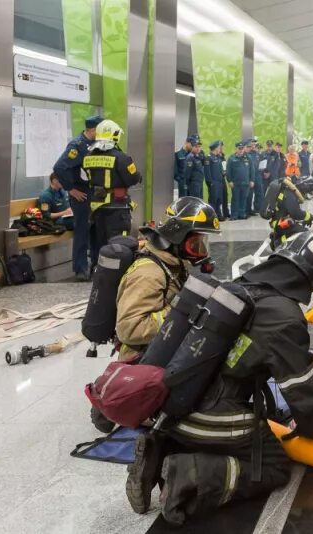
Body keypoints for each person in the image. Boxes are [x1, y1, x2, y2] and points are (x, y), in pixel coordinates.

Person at [127, 231, 313, 525]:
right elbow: (301, 390)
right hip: (211, 416)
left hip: (169, 407)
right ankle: (187, 475)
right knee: (273, 466)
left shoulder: (234, 289)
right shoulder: (284, 317)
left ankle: (159, 451)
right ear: (311, 279)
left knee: (226, 428)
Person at [90, 196, 221, 433]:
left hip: (163, 344)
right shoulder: (149, 273)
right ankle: (120, 395)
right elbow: (130, 328)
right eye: (196, 243)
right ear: (178, 237)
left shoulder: (172, 262)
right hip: (143, 355)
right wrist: (182, 311)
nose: (200, 250)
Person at [82, 120, 142, 257]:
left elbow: (85, 178)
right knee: (119, 244)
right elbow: (133, 178)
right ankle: (117, 273)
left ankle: (99, 270)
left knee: (100, 243)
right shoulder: (121, 158)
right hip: (117, 207)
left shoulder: (87, 157)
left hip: (96, 208)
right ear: (114, 136)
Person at [53, 114, 102, 281]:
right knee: (82, 231)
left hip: (93, 194)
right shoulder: (77, 145)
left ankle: (96, 265)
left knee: (96, 231)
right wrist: (71, 189)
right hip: (81, 195)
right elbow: (59, 167)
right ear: (93, 129)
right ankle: (80, 269)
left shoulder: (95, 144)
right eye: (100, 129)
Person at [269, 175, 313, 248]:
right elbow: (295, 213)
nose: (305, 195)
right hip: (281, 223)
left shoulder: (288, 191)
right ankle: (278, 242)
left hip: (278, 221)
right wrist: (309, 216)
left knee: (295, 226)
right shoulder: (290, 195)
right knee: (304, 232)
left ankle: (277, 237)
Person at [228, 141, 253, 220]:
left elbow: (252, 170)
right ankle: (234, 215)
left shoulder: (248, 158)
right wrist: (229, 181)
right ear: (236, 149)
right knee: (235, 199)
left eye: (242, 149)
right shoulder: (231, 158)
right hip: (235, 183)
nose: (241, 150)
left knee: (243, 198)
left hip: (245, 182)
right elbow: (228, 171)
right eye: (239, 149)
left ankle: (242, 214)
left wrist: (252, 180)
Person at [205, 140, 228, 221]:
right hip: (213, 183)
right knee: (213, 201)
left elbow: (221, 170)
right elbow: (207, 172)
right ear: (215, 148)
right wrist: (210, 183)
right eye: (219, 147)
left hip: (220, 182)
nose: (220, 149)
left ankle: (218, 214)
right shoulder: (208, 158)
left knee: (219, 200)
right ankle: (211, 217)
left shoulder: (218, 157)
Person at [174, 135, 199, 199]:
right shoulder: (177, 155)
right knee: (184, 202)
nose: (192, 146)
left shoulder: (193, 156)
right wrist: (182, 181)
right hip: (183, 184)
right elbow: (175, 172)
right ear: (186, 143)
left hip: (192, 185)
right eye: (191, 144)